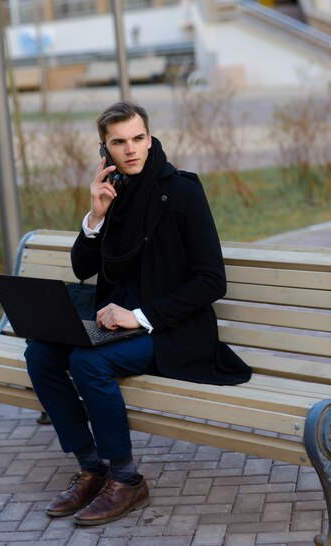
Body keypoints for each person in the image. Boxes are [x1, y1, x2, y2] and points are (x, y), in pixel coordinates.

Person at [24, 101, 252, 526]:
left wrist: (140, 315)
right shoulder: (114, 194)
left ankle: (127, 479)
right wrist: (95, 215)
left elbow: (211, 281)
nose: (131, 150)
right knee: (39, 355)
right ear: (104, 149)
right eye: (119, 142)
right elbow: (82, 267)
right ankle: (93, 467)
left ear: (149, 138)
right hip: (116, 328)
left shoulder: (181, 190)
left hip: (169, 330)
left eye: (138, 138)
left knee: (86, 363)